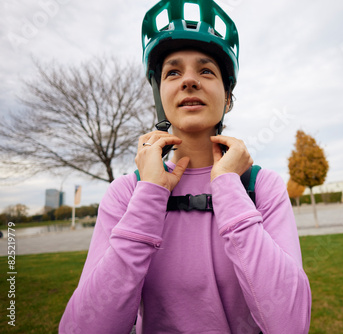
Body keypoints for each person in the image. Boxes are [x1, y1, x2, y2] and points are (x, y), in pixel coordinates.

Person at [59, 1, 311, 333]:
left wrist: (227, 186)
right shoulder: (125, 194)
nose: (189, 81)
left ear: (228, 97)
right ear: (159, 94)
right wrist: (149, 195)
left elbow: (291, 323)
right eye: (173, 72)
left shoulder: (261, 187)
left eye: (206, 70)